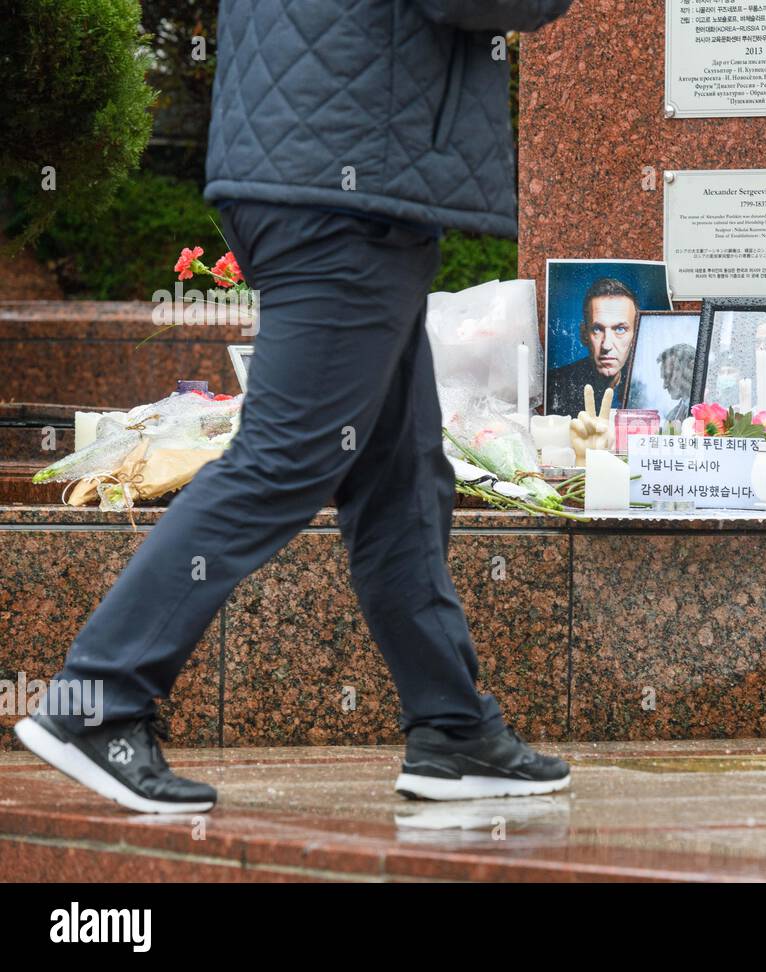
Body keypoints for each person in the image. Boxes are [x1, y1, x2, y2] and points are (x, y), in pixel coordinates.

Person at [15, 0, 575, 813]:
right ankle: (97, 703)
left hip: (325, 167)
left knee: (400, 478)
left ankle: (452, 730)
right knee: (283, 459)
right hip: (344, 187)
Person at [547, 278, 639, 415]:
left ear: (635, 335)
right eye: (597, 329)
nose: (607, 345)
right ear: (584, 334)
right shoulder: (554, 385)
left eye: (620, 329)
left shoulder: (646, 389)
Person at [657, 343, 696, 424]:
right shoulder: (672, 415)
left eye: (668, 376)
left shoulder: (708, 411)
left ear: (691, 368)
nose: (664, 386)